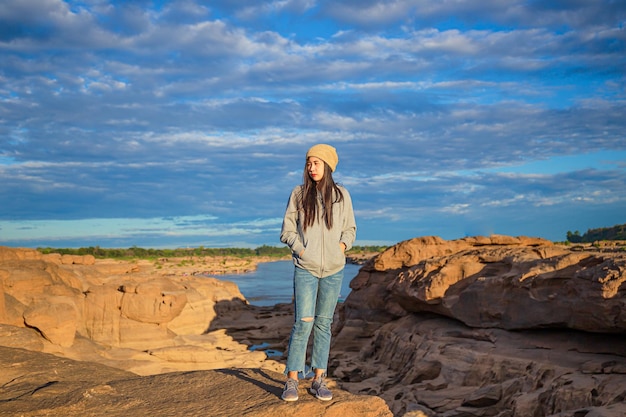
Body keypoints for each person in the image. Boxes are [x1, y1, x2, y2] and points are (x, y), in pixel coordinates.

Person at [279, 143, 357, 402]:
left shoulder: (342, 195)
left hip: (334, 269)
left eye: (316, 163)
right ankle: (291, 380)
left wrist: (341, 248)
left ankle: (318, 379)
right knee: (303, 323)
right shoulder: (299, 194)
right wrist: (302, 251)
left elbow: (350, 229)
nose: (311, 168)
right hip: (306, 268)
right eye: (309, 163)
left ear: (328, 166)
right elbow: (287, 231)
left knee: (324, 324)